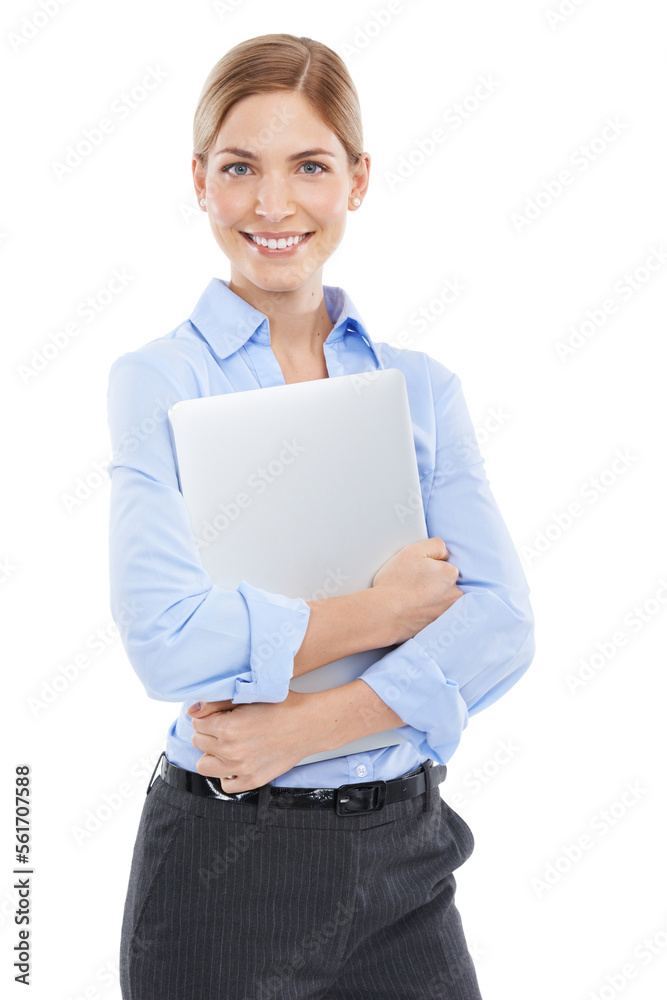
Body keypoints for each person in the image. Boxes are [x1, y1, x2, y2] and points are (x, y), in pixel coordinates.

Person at [107, 32, 535, 1000]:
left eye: (308, 165)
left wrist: (304, 725)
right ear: (200, 181)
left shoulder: (419, 388)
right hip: (227, 863)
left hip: (406, 856)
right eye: (239, 168)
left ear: (358, 178)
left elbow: (501, 623)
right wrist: (387, 609)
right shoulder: (158, 383)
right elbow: (167, 644)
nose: (272, 204)